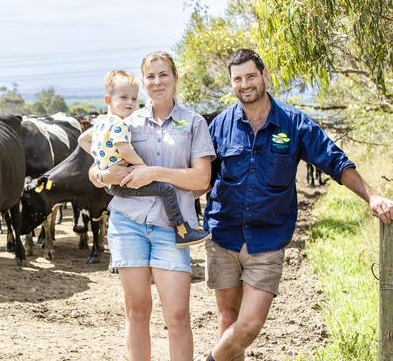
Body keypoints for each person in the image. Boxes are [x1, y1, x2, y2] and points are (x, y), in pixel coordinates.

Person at [200, 48, 393, 361]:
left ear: (264, 76)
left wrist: (372, 196)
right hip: (224, 236)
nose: (245, 83)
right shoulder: (220, 126)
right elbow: (202, 177)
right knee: (228, 322)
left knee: (248, 326)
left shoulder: (294, 123)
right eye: (237, 79)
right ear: (231, 84)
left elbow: (334, 160)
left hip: (267, 241)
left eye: (250, 75)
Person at [88, 51, 215, 361]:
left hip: (172, 229)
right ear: (143, 83)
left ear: (174, 77)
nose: (157, 81)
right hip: (127, 223)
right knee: (137, 311)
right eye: (151, 76)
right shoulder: (126, 120)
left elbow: (202, 178)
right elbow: (93, 167)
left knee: (178, 316)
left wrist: (154, 172)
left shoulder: (193, 123)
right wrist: (103, 174)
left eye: (163, 74)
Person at [78, 70, 210, 247]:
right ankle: (182, 230)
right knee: (166, 190)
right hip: (123, 183)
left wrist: (103, 159)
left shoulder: (102, 122)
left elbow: (82, 140)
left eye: (134, 99)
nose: (130, 103)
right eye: (124, 98)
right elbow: (124, 149)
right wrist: (142, 166)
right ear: (108, 100)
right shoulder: (119, 124)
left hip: (116, 184)